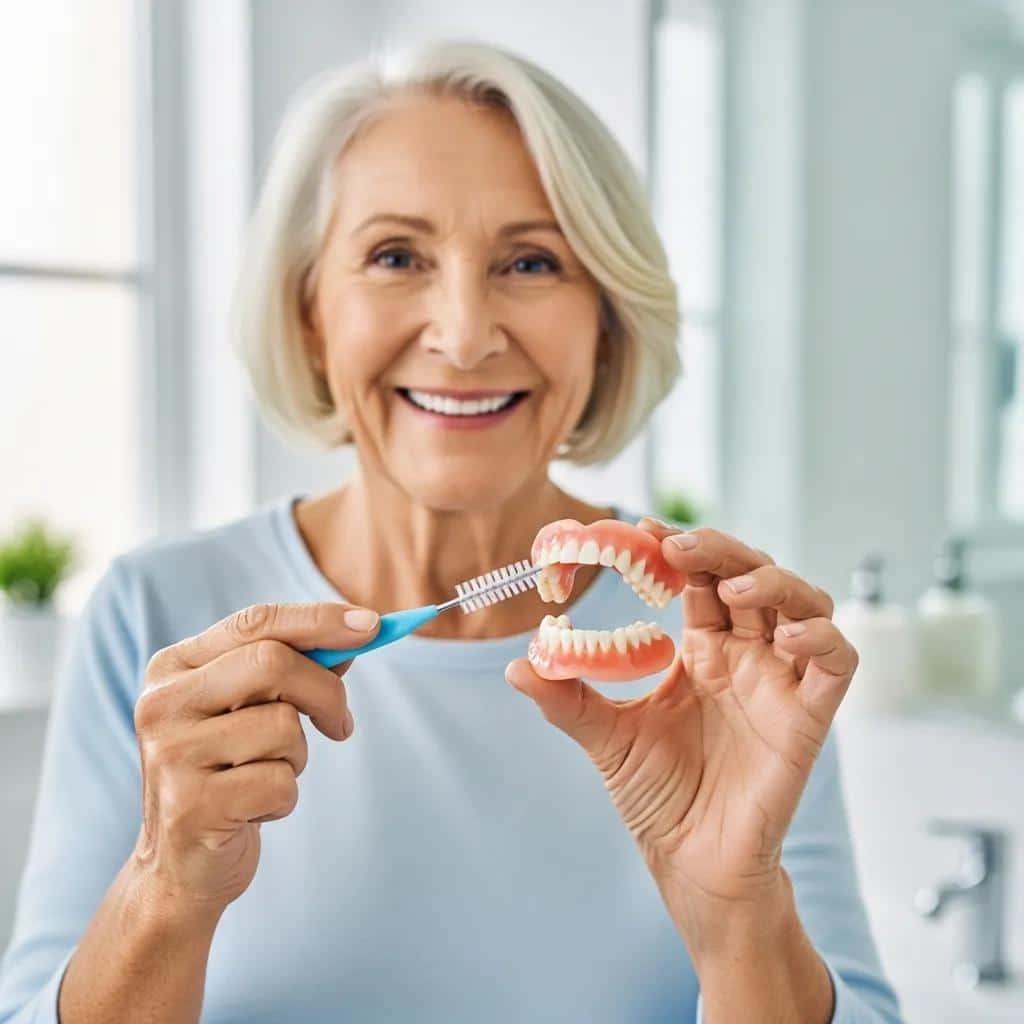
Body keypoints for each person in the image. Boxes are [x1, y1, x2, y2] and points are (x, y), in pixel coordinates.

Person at [0, 39, 903, 1023]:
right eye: (396, 256)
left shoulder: (723, 653)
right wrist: (164, 886)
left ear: (604, 320)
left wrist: (741, 919)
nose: (465, 334)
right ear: (310, 309)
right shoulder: (152, 616)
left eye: (530, 261)